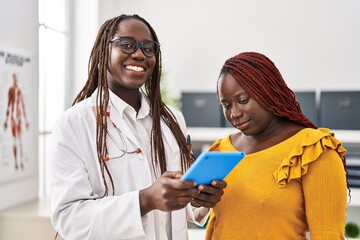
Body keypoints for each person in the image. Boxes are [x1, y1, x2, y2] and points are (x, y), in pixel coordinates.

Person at [49, 14, 226, 240]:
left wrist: (199, 199)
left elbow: (183, 208)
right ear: (105, 50)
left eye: (148, 48)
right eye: (127, 45)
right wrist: (144, 200)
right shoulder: (74, 124)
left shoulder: (172, 119)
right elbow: (69, 218)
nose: (140, 54)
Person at [205, 52, 348, 239]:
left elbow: (327, 235)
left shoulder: (313, 149)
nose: (234, 114)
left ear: (268, 92)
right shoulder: (221, 149)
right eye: (226, 105)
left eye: (242, 100)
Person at [4, 72, 29, 170]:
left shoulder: (19, 90)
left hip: (18, 118)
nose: (15, 79)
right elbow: (8, 105)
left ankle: (21, 161)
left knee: (20, 140)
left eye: (16, 77)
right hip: (13, 118)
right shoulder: (10, 90)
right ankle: (16, 162)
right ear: (12, 78)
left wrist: (26, 120)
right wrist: (6, 121)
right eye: (14, 77)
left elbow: (22, 105)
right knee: (14, 141)